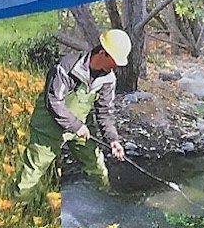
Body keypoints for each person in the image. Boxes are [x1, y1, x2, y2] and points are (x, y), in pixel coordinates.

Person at [16, 28, 130, 197]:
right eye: (115, 60)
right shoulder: (67, 66)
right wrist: (76, 126)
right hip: (49, 128)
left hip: (81, 129)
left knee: (98, 169)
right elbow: (53, 101)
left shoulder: (109, 79)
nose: (117, 66)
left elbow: (104, 112)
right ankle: (14, 212)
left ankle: (104, 200)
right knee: (31, 174)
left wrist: (113, 140)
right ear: (103, 53)